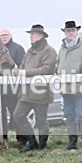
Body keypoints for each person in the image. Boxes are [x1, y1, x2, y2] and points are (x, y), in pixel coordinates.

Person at [11, 24, 58, 153]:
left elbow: (47, 69)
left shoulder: (50, 51)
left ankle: (42, 145)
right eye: (30, 34)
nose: (31, 36)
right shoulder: (29, 51)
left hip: (41, 91)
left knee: (41, 120)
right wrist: (18, 71)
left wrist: (25, 72)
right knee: (18, 115)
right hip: (26, 92)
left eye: (34, 34)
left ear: (41, 36)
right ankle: (32, 142)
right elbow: (22, 66)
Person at [56, 20, 82, 150]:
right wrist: (57, 70)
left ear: (77, 32)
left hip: (81, 87)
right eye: (68, 31)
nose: (70, 33)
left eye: (73, 30)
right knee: (69, 114)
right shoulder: (62, 48)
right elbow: (59, 63)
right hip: (66, 87)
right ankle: (72, 142)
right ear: (65, 32)